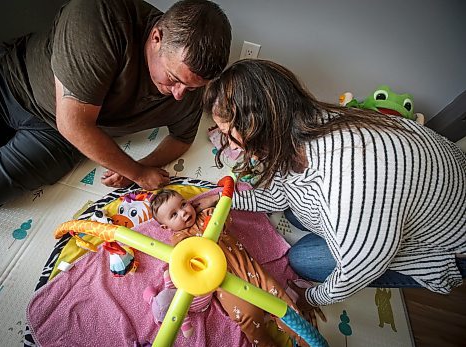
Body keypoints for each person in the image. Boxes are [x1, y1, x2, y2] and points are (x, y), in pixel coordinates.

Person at [197, 59, 466, 312]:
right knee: (294, 212)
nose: (231, 146)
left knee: (302, 260)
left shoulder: (351, 183)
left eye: (230, 135)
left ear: (261, 124)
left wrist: (312, 297)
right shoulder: (305, 119)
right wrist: (225, 199)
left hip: (446, 246)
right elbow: (281, 193)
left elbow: (360, 268)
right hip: (423, 190)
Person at [0, 0, 231, 212]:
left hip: (58, 137)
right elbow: (73, 122)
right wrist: (137, 172)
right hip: (7, 80)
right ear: (156, 37)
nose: (178, 95)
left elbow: (182, 138)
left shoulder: (190, 88)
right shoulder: (100, 15)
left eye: (191, 87)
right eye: (173, 79)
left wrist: (142, 165)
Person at [150, 189, 309, 347]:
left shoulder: (207, 214)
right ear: (166, 227)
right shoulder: (180, 241)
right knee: (249, 321)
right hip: (229, 287)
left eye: (183, 204)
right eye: (174, 215)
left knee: (284, 306)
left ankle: (307, 340)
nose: (183, 213)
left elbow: (226, 218)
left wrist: (215, 219)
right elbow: (187, 265)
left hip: (251, 271)